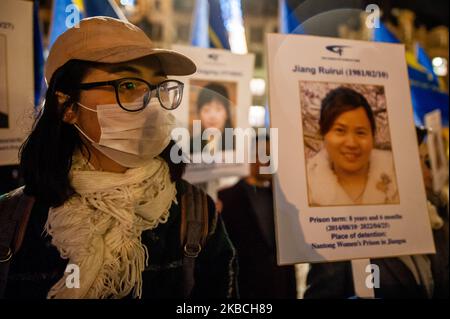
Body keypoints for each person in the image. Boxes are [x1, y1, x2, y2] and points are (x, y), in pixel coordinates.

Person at [1, 17, 237, 299]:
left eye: (158, 88)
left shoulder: (196, 216)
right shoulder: (12, 221)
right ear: (67, 106)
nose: (149, 103)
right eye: (127, 85)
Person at [304, 127, 448, 299]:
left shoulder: (433, 223)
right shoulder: (342, 238)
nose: (427, 174)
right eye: (418, 163)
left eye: (426, 162)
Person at [218, 135, 297, 298]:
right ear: (251, 156)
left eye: (273, 155)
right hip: (244, 291)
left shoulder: (283, 200)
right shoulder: (225, 199)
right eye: (264, 154)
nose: (269, 160)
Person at [307, 86, 399, 206]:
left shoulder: (398, 175)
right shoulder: (307, 186)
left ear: (373, 136)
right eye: (340, 130)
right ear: (323, 133)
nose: (351, 143)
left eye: (361, 132)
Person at [191, 83, 233, 153]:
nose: (212, 116)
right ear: (199, 113)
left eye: (218, 109)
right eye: (206, 110)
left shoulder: (238, 144)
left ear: (227, 113)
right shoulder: (190, 145)